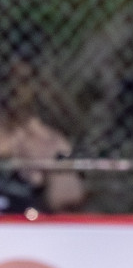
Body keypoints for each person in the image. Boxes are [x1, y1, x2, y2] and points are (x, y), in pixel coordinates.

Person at [0, 49, 84, 214]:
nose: (14, 89)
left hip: (24, 219)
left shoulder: (50, 141)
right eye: (8, 80)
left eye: (23, 81)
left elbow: (67, 199)